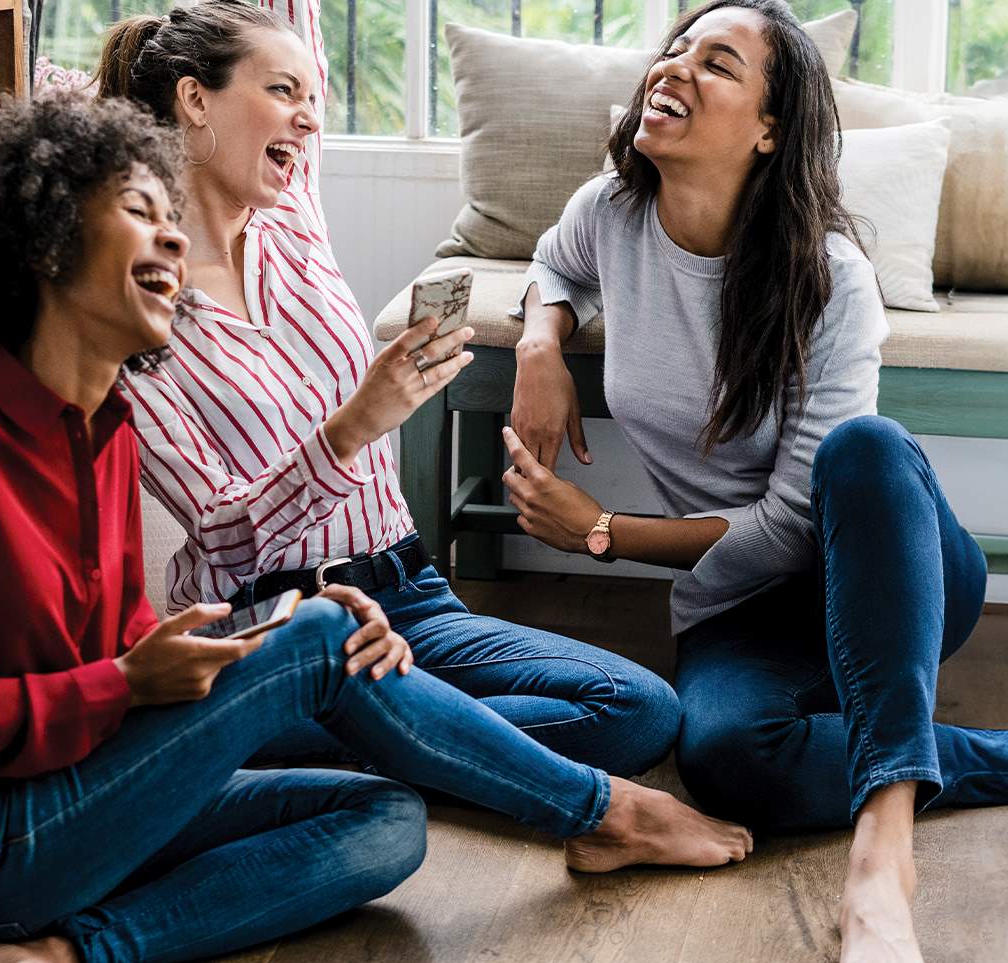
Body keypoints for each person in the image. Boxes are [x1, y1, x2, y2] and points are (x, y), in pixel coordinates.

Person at [0, 94, 750, 963]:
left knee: (385, 818)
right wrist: (147, 680)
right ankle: (603, 810)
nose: (170, 241)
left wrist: (252, 643)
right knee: (319, 639)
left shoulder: (104, 430)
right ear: (43, 245)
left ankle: (63, 955)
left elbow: (119, 653)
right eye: (138, 215)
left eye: (171, 220)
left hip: (79, 810)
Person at [501, 3, 1008, 963]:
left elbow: (790, 526)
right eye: (674, 50)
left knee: (864, 451)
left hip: (879, 561)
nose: (675, 69)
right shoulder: (612, 212)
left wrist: (601, 532)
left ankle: (883, 857)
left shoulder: (829, 275)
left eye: (718, 63)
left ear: (771, 128)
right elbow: (553, 265)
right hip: (741, 611)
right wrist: (537, 344)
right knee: (729, 760)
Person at [98, 0, 679, 779]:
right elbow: (222, 535)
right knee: (594, 726)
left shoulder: (291, 218)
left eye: (314, 99)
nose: (307, 120)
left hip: (408, 591)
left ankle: (370, 737)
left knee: (637, 708)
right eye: (282, 92)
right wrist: (353, 427)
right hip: (274, 631)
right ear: (195, 98)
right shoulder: (135, 311)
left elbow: (295, 25)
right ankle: (401, 733)